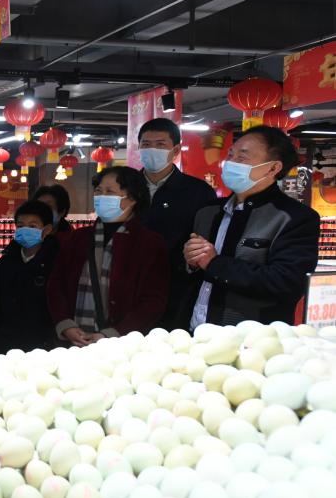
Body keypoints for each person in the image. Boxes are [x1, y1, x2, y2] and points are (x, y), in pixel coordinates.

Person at [185, 125, 320, 328]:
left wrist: (215, 264)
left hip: (253, 339)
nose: (230, 163)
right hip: (196, 328)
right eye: (230, 155)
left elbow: (287, 283)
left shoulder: (294, 218)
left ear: (273, 168)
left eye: (242, 157)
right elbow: (193, 272)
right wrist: (192, 262)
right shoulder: (208, 212)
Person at [48, 166, 169, 346]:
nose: (101, 196)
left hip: (121, 345)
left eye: (110, 192)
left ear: (133, 199)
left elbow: (154, 300)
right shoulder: (77, 238)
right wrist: (65, 324)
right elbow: (56, 285)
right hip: (74, 340)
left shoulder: (149, 243)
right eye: (98, 191)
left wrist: (114, 334)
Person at [138, 117, 218, 329]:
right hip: (125, 284)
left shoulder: (198, 192)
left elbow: (205, 240)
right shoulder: (124, 186)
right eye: (146, 144)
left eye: (160, 144)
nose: (152, 149)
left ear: (175, 150)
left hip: (175, 288)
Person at [0, 200, 60, 354]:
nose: (25, 230)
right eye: (20, 225)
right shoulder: (5, 262)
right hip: (6, 344)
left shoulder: (56, 262)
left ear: (47, 230)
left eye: (32, 226)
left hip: (43, 345)